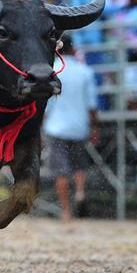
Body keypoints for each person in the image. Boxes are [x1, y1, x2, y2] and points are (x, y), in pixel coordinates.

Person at [42, 37, 98, 221]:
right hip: (79, 125)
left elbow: (46, 105)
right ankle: (80, 192)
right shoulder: (85, 71)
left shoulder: (52, 71)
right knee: (79, 165)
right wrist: (94, 126)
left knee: (60, 170)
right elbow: (92, 104)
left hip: (56, 126)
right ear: (74, 50)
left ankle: (66, 211)